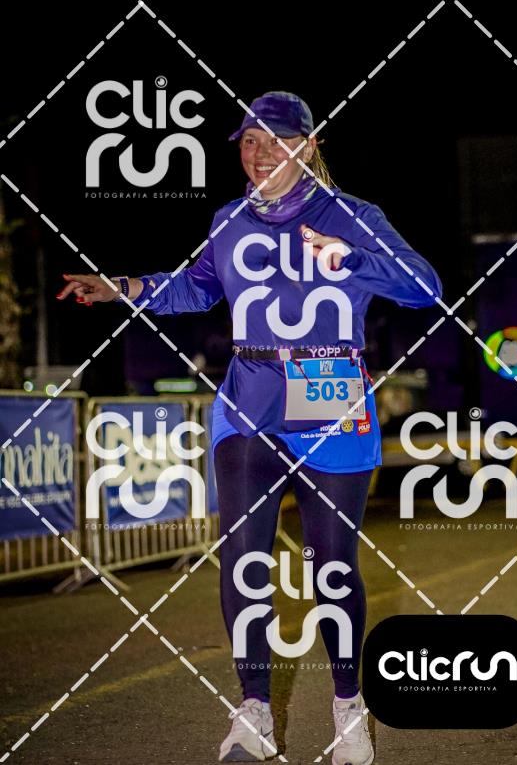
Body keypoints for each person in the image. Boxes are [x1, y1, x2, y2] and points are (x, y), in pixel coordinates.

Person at [58, 91, 442, 764]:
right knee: (242, 558)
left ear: (309, 146)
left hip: (328, 397)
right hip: (249, 396)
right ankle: (254, 710)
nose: (260, 152)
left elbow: (424, 285)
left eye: (276, 139)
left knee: (332, 567)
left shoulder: (355, 216)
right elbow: (196, 287)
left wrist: (351, 258)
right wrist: (124, 287)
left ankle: (348, 705)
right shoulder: (229, 220)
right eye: (249, 141)